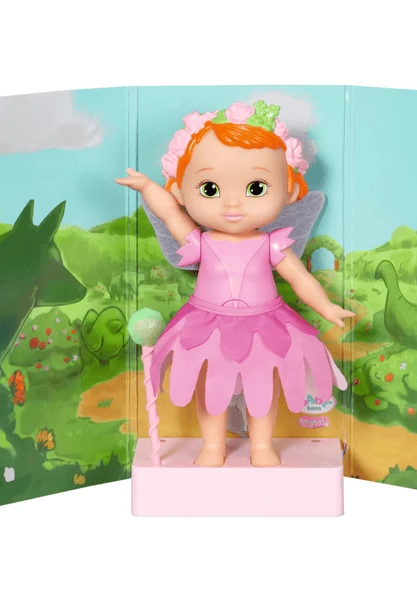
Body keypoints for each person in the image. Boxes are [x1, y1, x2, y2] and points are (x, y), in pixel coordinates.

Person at [116, 100, 353, 467]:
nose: (232, 204)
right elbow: (169, 214)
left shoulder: (272, 244)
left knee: (263, 386)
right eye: (209, 188)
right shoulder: (201, 241)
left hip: (265, 323)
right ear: (180, 191)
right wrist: (148, 187)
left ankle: (262, 446)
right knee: (211, 387)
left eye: (256, 188)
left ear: (290, 191)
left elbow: (300, 277)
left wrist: (326, 306)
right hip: (205, 323)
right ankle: (213, 445)